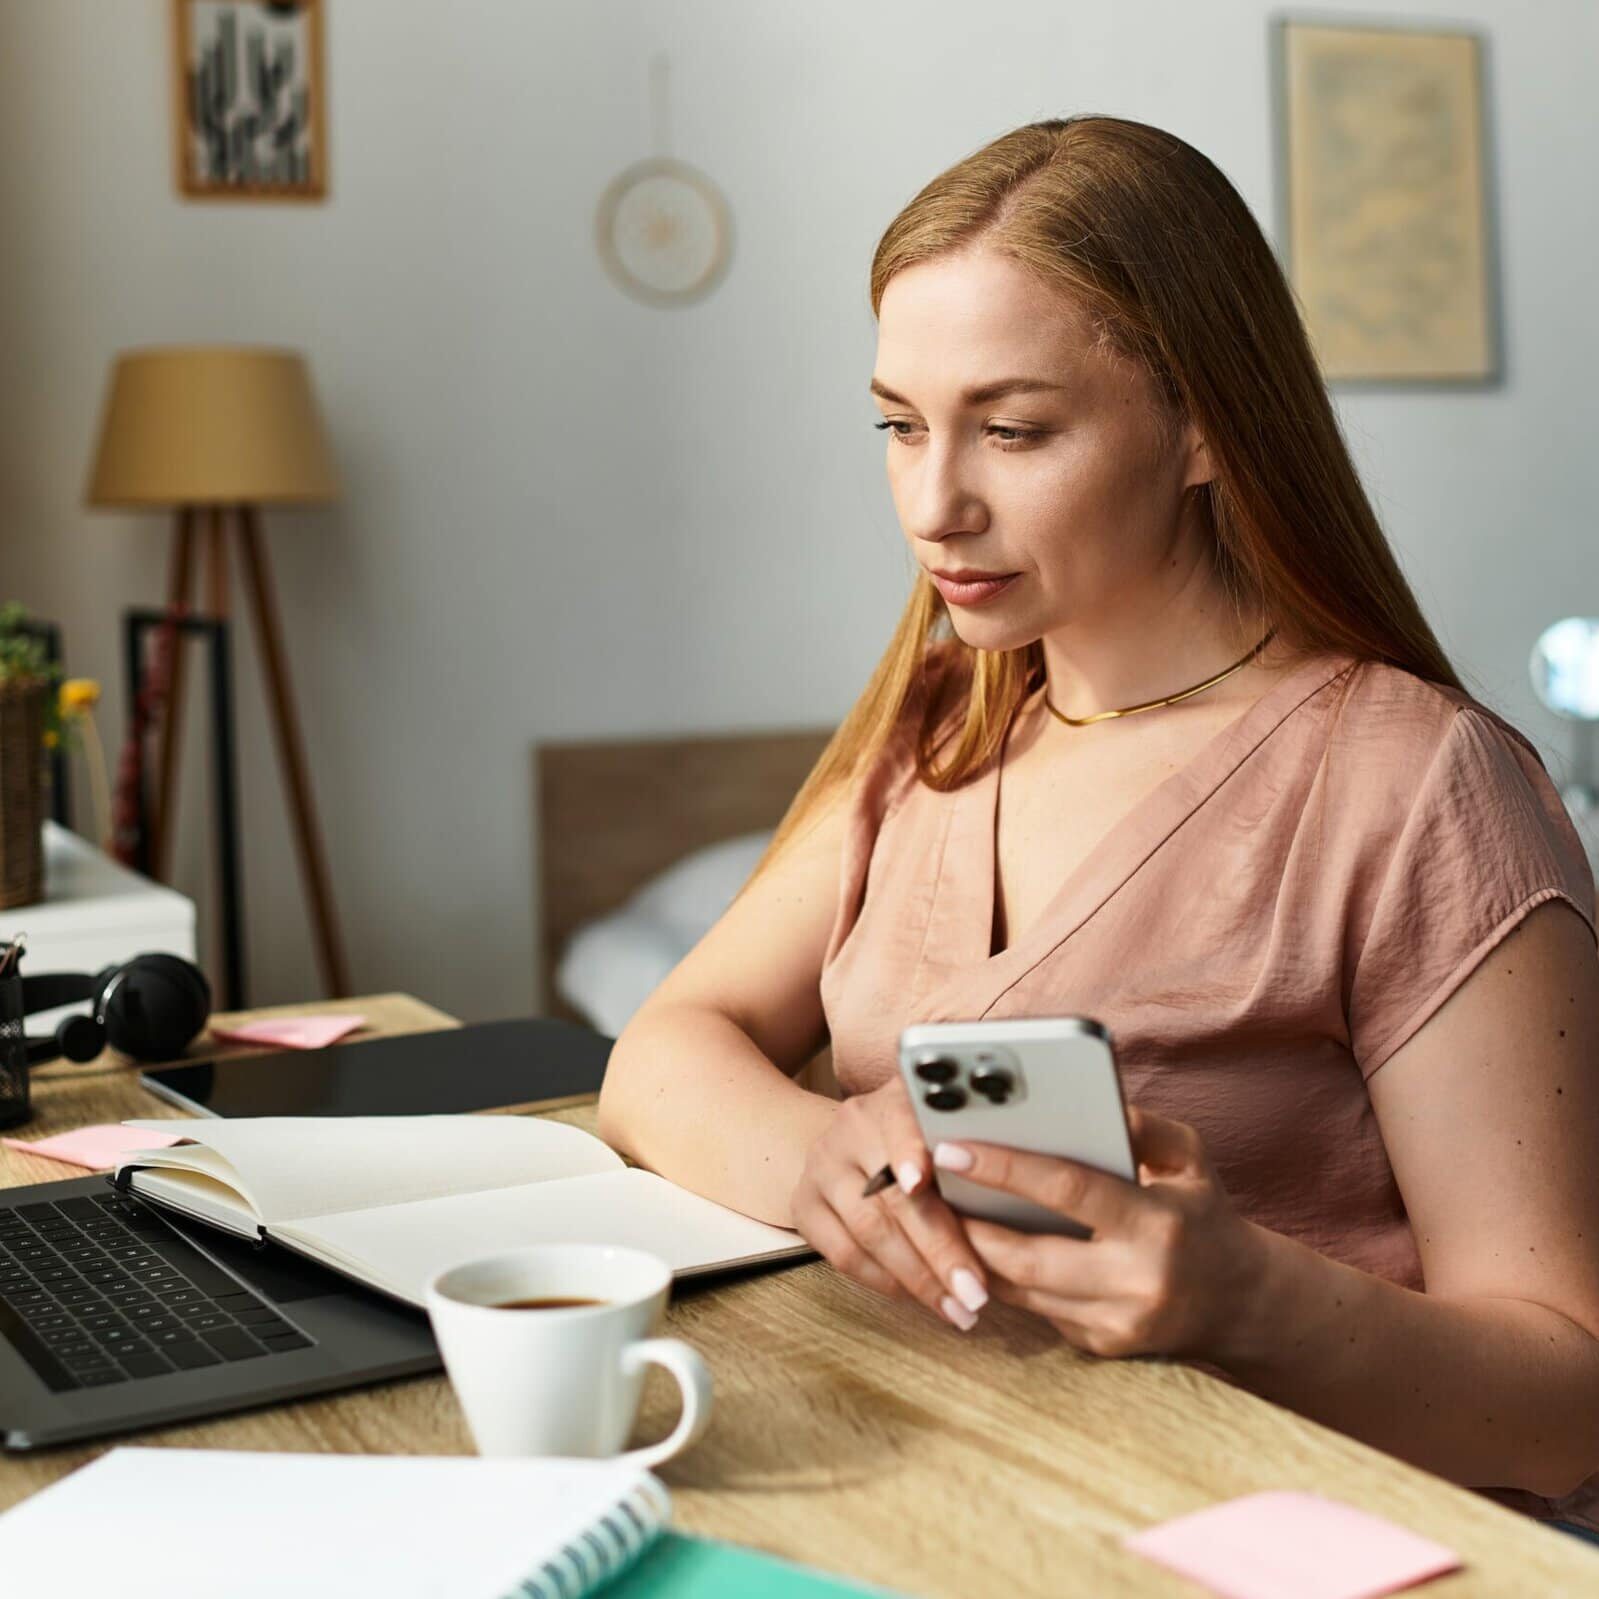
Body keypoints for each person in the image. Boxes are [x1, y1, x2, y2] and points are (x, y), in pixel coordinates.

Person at [595, 115, 1599, 1536]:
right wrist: (819, 1160)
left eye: (1013, 430)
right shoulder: (935, 731)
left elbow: (1569, 1397)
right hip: (961, 1495)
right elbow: (662, 1053)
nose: (934, 502)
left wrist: (1244, 1294)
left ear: (1202, 425)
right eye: (899, 424)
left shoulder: (1419, 785)